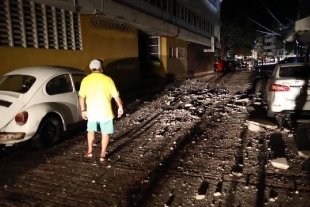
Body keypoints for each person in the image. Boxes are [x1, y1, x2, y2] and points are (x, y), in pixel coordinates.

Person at [79, 59, 124, 162]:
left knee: (91, 131)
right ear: (101, 68)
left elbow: (81, 96)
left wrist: (83, 110)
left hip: (91, 112)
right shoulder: (108, 79)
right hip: (105, 112)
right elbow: (116, 95)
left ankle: (89, 152)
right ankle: (102, 155)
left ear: (91, 68)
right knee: (105, 133)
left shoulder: (85, 80)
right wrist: (120, 107)